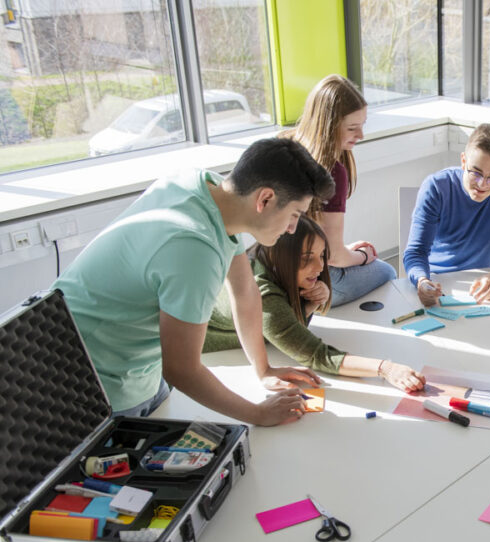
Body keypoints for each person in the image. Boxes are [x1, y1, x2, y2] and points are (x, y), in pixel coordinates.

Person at [53, 137, 335, 426]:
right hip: (96, 382)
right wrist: (259, 413)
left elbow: (244, 290)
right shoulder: (194, 248)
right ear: (264, 199)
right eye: (294, 215)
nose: (291, 229)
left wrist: (263, 369)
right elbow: (182, 370)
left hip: (133, 366)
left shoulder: (209, 187)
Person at [203, 217, 425, 393]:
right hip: (206, 352)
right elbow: (317, 354)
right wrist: (386, 369)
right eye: (307, 258)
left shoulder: (269, 263)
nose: (320, 267)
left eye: (321, 256)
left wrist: (310, 304)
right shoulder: (264, 296)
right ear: (282, 256)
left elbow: (289, 324)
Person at [280, 74, 396, 306]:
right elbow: (333, 256)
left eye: (362, 126)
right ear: (329, 126)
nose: (361, 135)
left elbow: (328, 249)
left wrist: (345, 251)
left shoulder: (283, 144)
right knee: (387, 272)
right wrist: (363, 257)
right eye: (352, 128)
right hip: (308, 280)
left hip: (277, 272)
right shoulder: (332, 172)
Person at [403, 123, 490, 306]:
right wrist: (422, 281)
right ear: (463, 161)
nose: (482, 184)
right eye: (476, 173)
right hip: (436, 279)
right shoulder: (436, 187)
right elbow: (416, 252)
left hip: (481, 281)